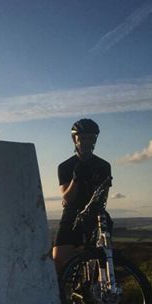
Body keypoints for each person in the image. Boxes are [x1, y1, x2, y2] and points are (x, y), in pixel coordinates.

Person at [52, 118, 112, 275]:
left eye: (90, 138)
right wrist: (76, 179)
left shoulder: (103, 166)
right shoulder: (65, 166)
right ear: (74, 139)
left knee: (102, 260)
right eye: (82, 138)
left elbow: (103, 198)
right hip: (72, 214)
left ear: (95, 140)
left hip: (96, 214)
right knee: (58, 260)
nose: (86, 142)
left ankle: (97, 283)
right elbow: (67, 198)